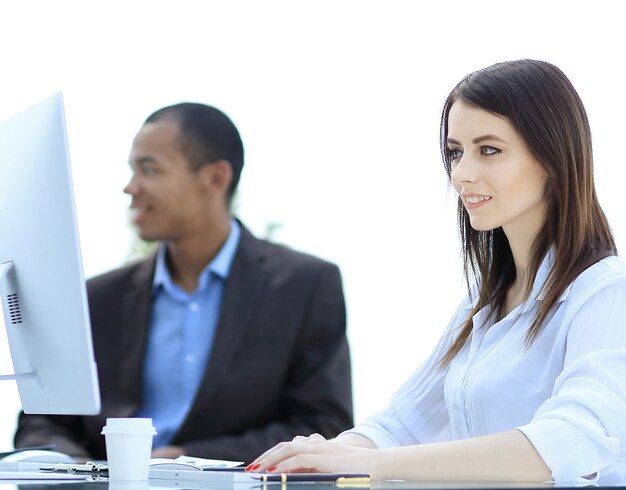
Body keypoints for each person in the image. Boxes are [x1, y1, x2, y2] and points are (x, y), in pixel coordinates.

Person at [249, 59, 626, 483]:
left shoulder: (604, 293)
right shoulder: (484, 305)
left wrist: (366, 464)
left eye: (489, 150)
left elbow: (571, 441)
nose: (461, 174)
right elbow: (400, 426)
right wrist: (317, 454)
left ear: (554, 157)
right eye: (454, 152)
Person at [14, 102, 353, 464]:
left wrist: (189, 459)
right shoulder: (97, 297)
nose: (131, 188)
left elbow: (324, 426)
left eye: (149, 169)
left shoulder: (305, 286)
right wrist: (82, 471)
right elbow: (41, 422)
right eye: (132, 170)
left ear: (215, 178)